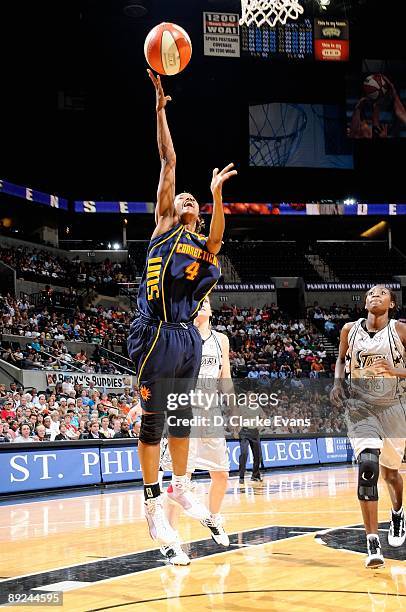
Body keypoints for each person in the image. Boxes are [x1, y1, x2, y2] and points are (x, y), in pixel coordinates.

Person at [127, 70, 236, 547]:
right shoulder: (164, 227)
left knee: (183, 415)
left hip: (186, 336)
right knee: (154, 421)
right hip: (155, 332)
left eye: (194, 199)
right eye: (186, 196)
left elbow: (217, 239)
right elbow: (169, 159)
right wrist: (159, 108)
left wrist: (214, 196)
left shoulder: (201, 246)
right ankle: (153, 505)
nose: (187, 198)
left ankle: (180, 487)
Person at [331, 285, 406, 568]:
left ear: (392, 303)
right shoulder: (349, 330)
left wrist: (395, 370)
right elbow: (340, 359)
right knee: (368, 467)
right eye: (371, 293)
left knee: (390, 474)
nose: (376, 295)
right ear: (364, 303)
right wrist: (338, 383)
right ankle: (372, 541)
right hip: (361, 407)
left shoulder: (399, 331)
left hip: (395, 409)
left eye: (383, 292)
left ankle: (398, 511)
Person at [159, 296, 234, 565]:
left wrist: (234, 408)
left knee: (222, 474)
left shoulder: (221, 339)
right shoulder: (179, 336)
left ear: (212, 310)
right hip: (183, 410)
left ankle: (212, 518)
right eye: (197, 302)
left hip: (211, 411)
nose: (201, 304)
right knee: (181, 480)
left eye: (206, 301)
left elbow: (224, 376)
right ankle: (172, 541)